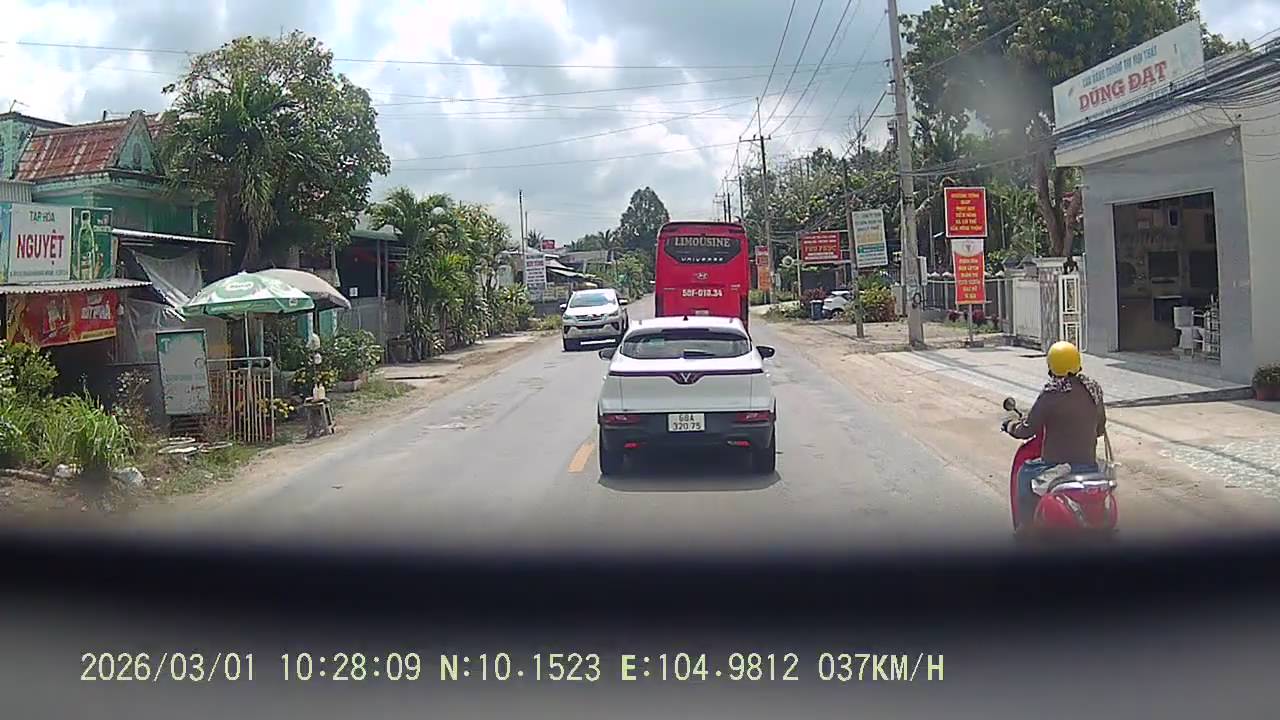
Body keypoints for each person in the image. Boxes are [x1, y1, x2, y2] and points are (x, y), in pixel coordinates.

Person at [1003, 341, 1107, 530]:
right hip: (1088, 465)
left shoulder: (1051, 393)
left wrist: (1011, 426)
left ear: (1051, 366)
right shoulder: (1093, 389)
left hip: (1056, 466)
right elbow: (1100, 429)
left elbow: (1027, 430)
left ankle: (1026, 528)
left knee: (1024, 474)